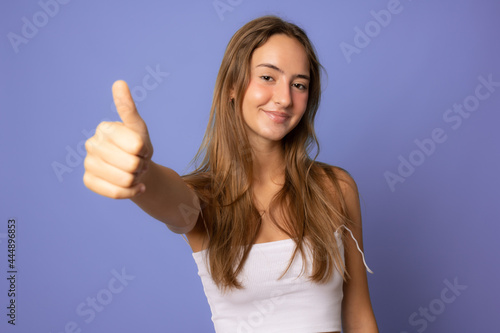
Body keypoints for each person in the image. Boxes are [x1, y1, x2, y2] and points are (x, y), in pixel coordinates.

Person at [83, 15, 378, 333]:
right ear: (232, 87)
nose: (284, 98)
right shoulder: (204, 200)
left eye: (299, 84)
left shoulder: (335, 188)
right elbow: (172, 200)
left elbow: (359, 315)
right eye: (268, 77)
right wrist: (142, 172)